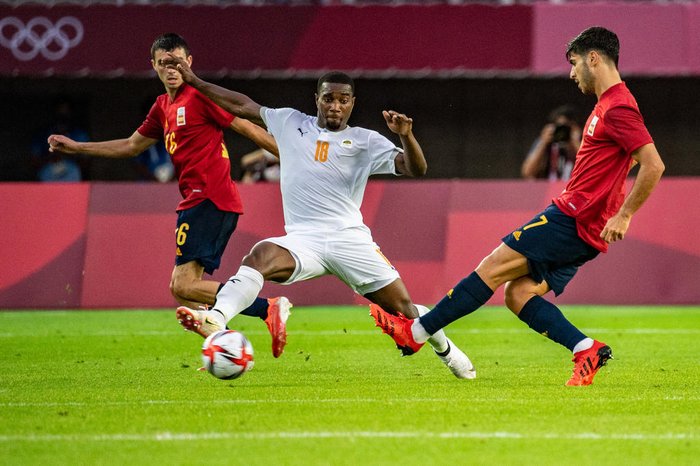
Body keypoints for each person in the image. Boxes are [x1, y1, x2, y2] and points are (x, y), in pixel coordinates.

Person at [371, 26, 665, 386]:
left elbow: (652, 163)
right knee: (518, 294)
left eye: (574, 64)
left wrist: (623, 213)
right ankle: (585, 348)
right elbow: (628, 161)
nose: (572, 73)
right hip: (585, 227)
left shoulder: (618, 107)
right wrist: (610, 197)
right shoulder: (610, 105)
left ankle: (416, 332)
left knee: (491, 268)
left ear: (593, 58)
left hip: (573, 218)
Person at [166, 54, 476, 378]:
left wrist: (406, 136)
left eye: (343, 100)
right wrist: (195, 81)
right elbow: (242, 105)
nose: (335, 106)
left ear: (352, 103)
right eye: (328, 98)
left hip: (349, 239)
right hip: (303, 240)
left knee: (406, 312)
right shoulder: (289, 122)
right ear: (317, 99)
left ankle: (448, 351)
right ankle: (217, 318)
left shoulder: (365, 141)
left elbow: (416, 168)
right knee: (258, 256)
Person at [47, 33, 291, 358]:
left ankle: (267, 309)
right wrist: (78, 147)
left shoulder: (201, 96)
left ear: (189, 63)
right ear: (154, 67)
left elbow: (249, 128)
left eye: (177, 62)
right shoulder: (163, 106)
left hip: (210, 199)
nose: (171, 69)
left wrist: (296, 159)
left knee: (182, 286)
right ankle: (227, 343)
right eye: (164, 64)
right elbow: (131, 146)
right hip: (196, 201)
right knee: (188, 293)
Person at [31, 98, 89, 182]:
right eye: (59, 115)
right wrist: (52, 156)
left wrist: (66, 153)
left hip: (71, 175)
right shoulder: (42, 134)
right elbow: (33, 162)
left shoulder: (79, 134)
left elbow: (85, 163)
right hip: (48, 175)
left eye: (65, 115)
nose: (62, 119)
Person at [521, 105, 582, 181]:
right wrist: (543, 143)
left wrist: (575, 141)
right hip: (548, 189)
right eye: (559, 127)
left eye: (566, 128)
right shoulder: (546, 143)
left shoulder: (583, 143)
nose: (562, 132)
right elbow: (527, 172)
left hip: (575, 189)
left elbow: (589, 167)